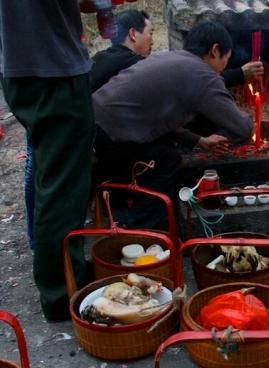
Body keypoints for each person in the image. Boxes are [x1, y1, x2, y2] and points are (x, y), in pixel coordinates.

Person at [92, 20, 254, 229]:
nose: (223, 67)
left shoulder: (169, 57)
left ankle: (165, 231)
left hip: (92, 124)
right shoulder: (203, 74)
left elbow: (157, 118)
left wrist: (199, 141)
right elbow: (243, 127)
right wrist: (249, 122)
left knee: (166, 155)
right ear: (215, 51)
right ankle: (142, 234)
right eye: (227, 59)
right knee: (166, 162)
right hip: (106, 139)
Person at [0, 0, 95, 321]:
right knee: (64, 190)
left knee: (49, 178)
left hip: (18, 69)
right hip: (54, 70)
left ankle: (61, 274)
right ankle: (62, 291)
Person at [90, 9, 154, 92]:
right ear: (133, 34)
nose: (152, 42)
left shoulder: (98, 58)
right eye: (150, 33)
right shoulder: (136, 65)